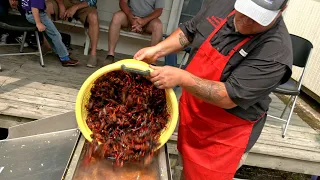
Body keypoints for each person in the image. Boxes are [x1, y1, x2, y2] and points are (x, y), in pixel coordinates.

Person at [134, 0, 293, 179]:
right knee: (183, 169)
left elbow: (228, 96)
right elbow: (190, 30)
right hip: (193, 116)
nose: (247, 20)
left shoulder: (275, 52)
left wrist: (182, 78)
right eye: (245, 11)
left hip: (223, 137)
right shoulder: (222, 3)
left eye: (258, 17)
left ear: (282, 10)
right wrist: (157, 50)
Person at [22, 0, 79, 66]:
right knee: (55, 35)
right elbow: (34, 7)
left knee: (49, 35)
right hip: (38, 15)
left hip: (29, 14)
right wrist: (38, 23)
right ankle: (65, 58)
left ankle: (60, 51)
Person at [46, 0, 99, 67]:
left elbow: (93, 1)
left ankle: (93, 54)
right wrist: (61, 4)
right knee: (46, 7)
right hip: (64, 1)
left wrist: (76, 7)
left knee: (93, 17)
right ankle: (47, 45)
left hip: (84, 4)